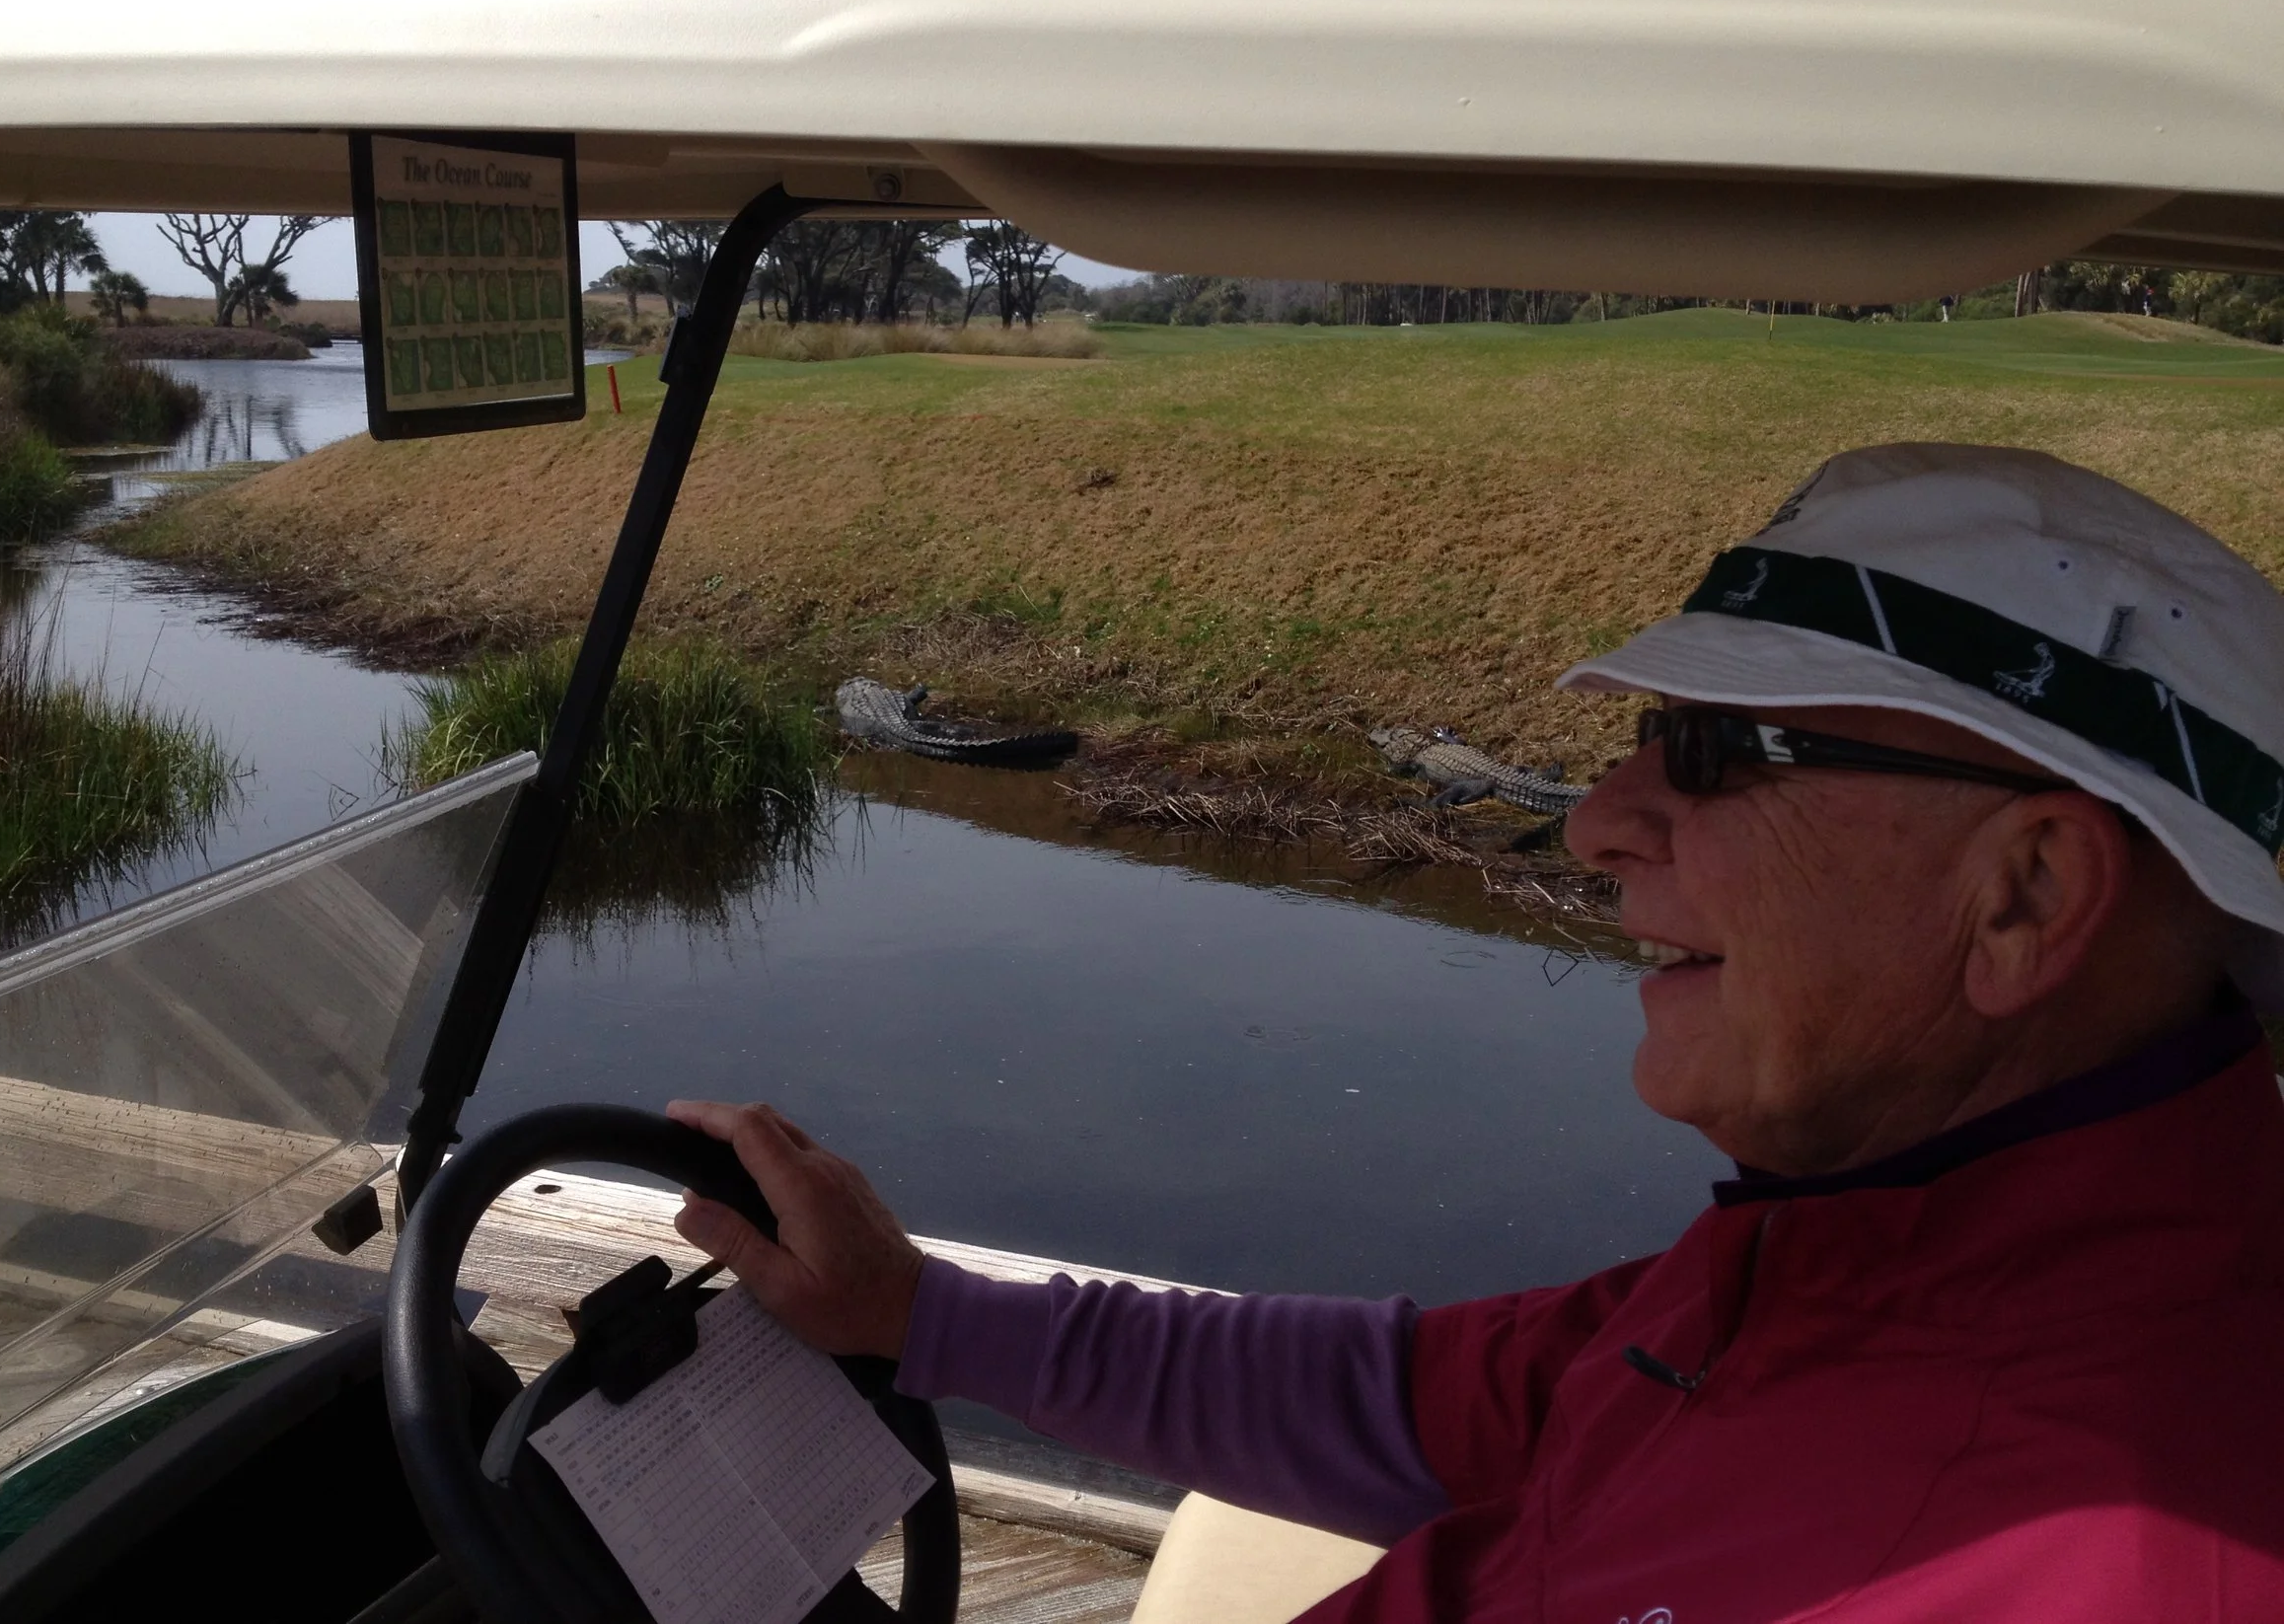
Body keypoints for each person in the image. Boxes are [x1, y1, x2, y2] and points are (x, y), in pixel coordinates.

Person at [670, 442, 2284, 1620]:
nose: (1596, 818)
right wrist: (923, 1312)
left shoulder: (2059, 1550)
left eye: (1716, 753)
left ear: (2024, 896)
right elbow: (1408, 1399)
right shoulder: (1882, 1251)